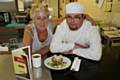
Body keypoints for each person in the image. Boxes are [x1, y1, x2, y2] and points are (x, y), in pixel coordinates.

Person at [50, 2, 102, 80]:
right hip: (65, 64)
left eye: (77, 17)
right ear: (65, 17)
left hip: (86, 64)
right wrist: (73, 45)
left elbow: (97, 55)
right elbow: (53, 48)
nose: (72, 21)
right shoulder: (62, 26)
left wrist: (73, 51)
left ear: (83, 18)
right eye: (69, 17)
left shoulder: (91, 28)